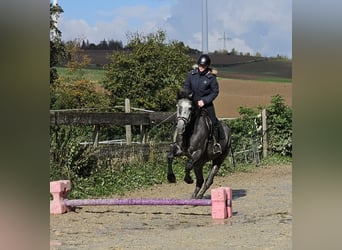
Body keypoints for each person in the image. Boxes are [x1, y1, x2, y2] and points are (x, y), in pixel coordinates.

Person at [183, 54, 222, 154]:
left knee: (214, 122)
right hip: (192, 103)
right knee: (182, 118)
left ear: (207, 66)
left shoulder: (211, 78)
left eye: (203, 66)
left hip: (206, 105)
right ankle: (180, 142)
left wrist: (204, 101)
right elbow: (186, 86)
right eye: (200, 66)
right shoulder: (191, 74)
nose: (201, 68)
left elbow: (215, 92)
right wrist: (189, 94)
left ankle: (216, 144)